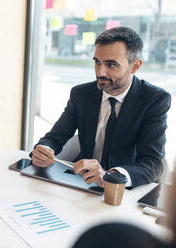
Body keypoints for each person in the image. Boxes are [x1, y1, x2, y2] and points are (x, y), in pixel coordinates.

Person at [31, 27, 171, 188]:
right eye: (97, 62)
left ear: (135, 66)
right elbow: (55, 138)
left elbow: (153, 163)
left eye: (111, 64)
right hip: (80, 183)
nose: (100, 72)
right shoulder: (80, 94)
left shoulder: (154, 100)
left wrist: (110, 176)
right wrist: (44, 149)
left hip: (123, 191)